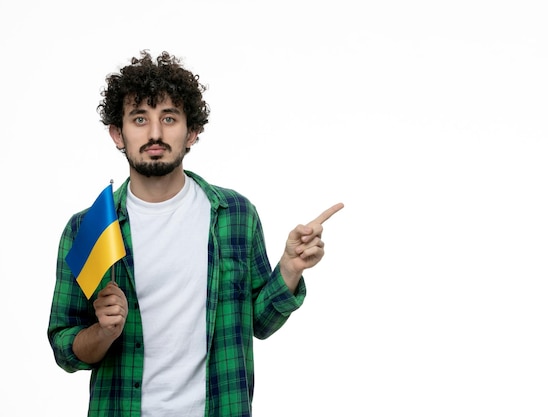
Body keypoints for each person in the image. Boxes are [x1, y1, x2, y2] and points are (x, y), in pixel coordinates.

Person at [47, 50, 343, 417]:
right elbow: (64, 349)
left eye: (168, 118)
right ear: (117, 134)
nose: (155, 133)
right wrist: (103, 333)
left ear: (192, 132)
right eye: (139, 119)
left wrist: (289, 269)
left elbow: (259, 324)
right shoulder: (88, 229)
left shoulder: (235, 215)